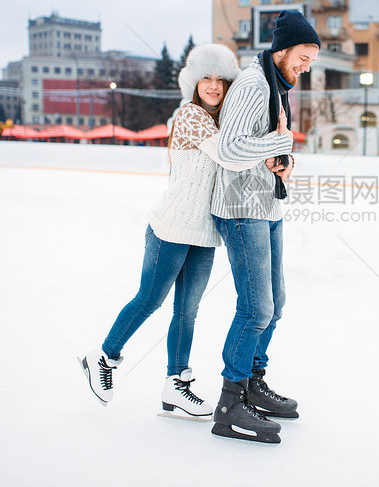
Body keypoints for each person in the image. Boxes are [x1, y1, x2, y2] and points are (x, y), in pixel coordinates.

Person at [80, 44, 261, 418]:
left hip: (204, 233)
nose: (213, 86)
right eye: (206, 78)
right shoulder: (191, 116)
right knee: (150, 299)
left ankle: (175, 383)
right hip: (172, 226)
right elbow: (230, 154)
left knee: (187, 311)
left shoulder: (220, 122)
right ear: (194, 83)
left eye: (221, 80)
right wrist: (275, 145)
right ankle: (103, 357)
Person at [208, 9, 319, 444]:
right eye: (304, 55)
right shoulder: (255, 84)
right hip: (240, 207)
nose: (307, 65)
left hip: (265, 204)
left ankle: (253, 382)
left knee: (276, 301)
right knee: (256, 307)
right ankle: (230, 403)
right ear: (283, 48)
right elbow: (230, 149)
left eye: (311, 58)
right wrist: (281, 144)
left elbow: (265, 147)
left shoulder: (276, 85)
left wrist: (285, 161)